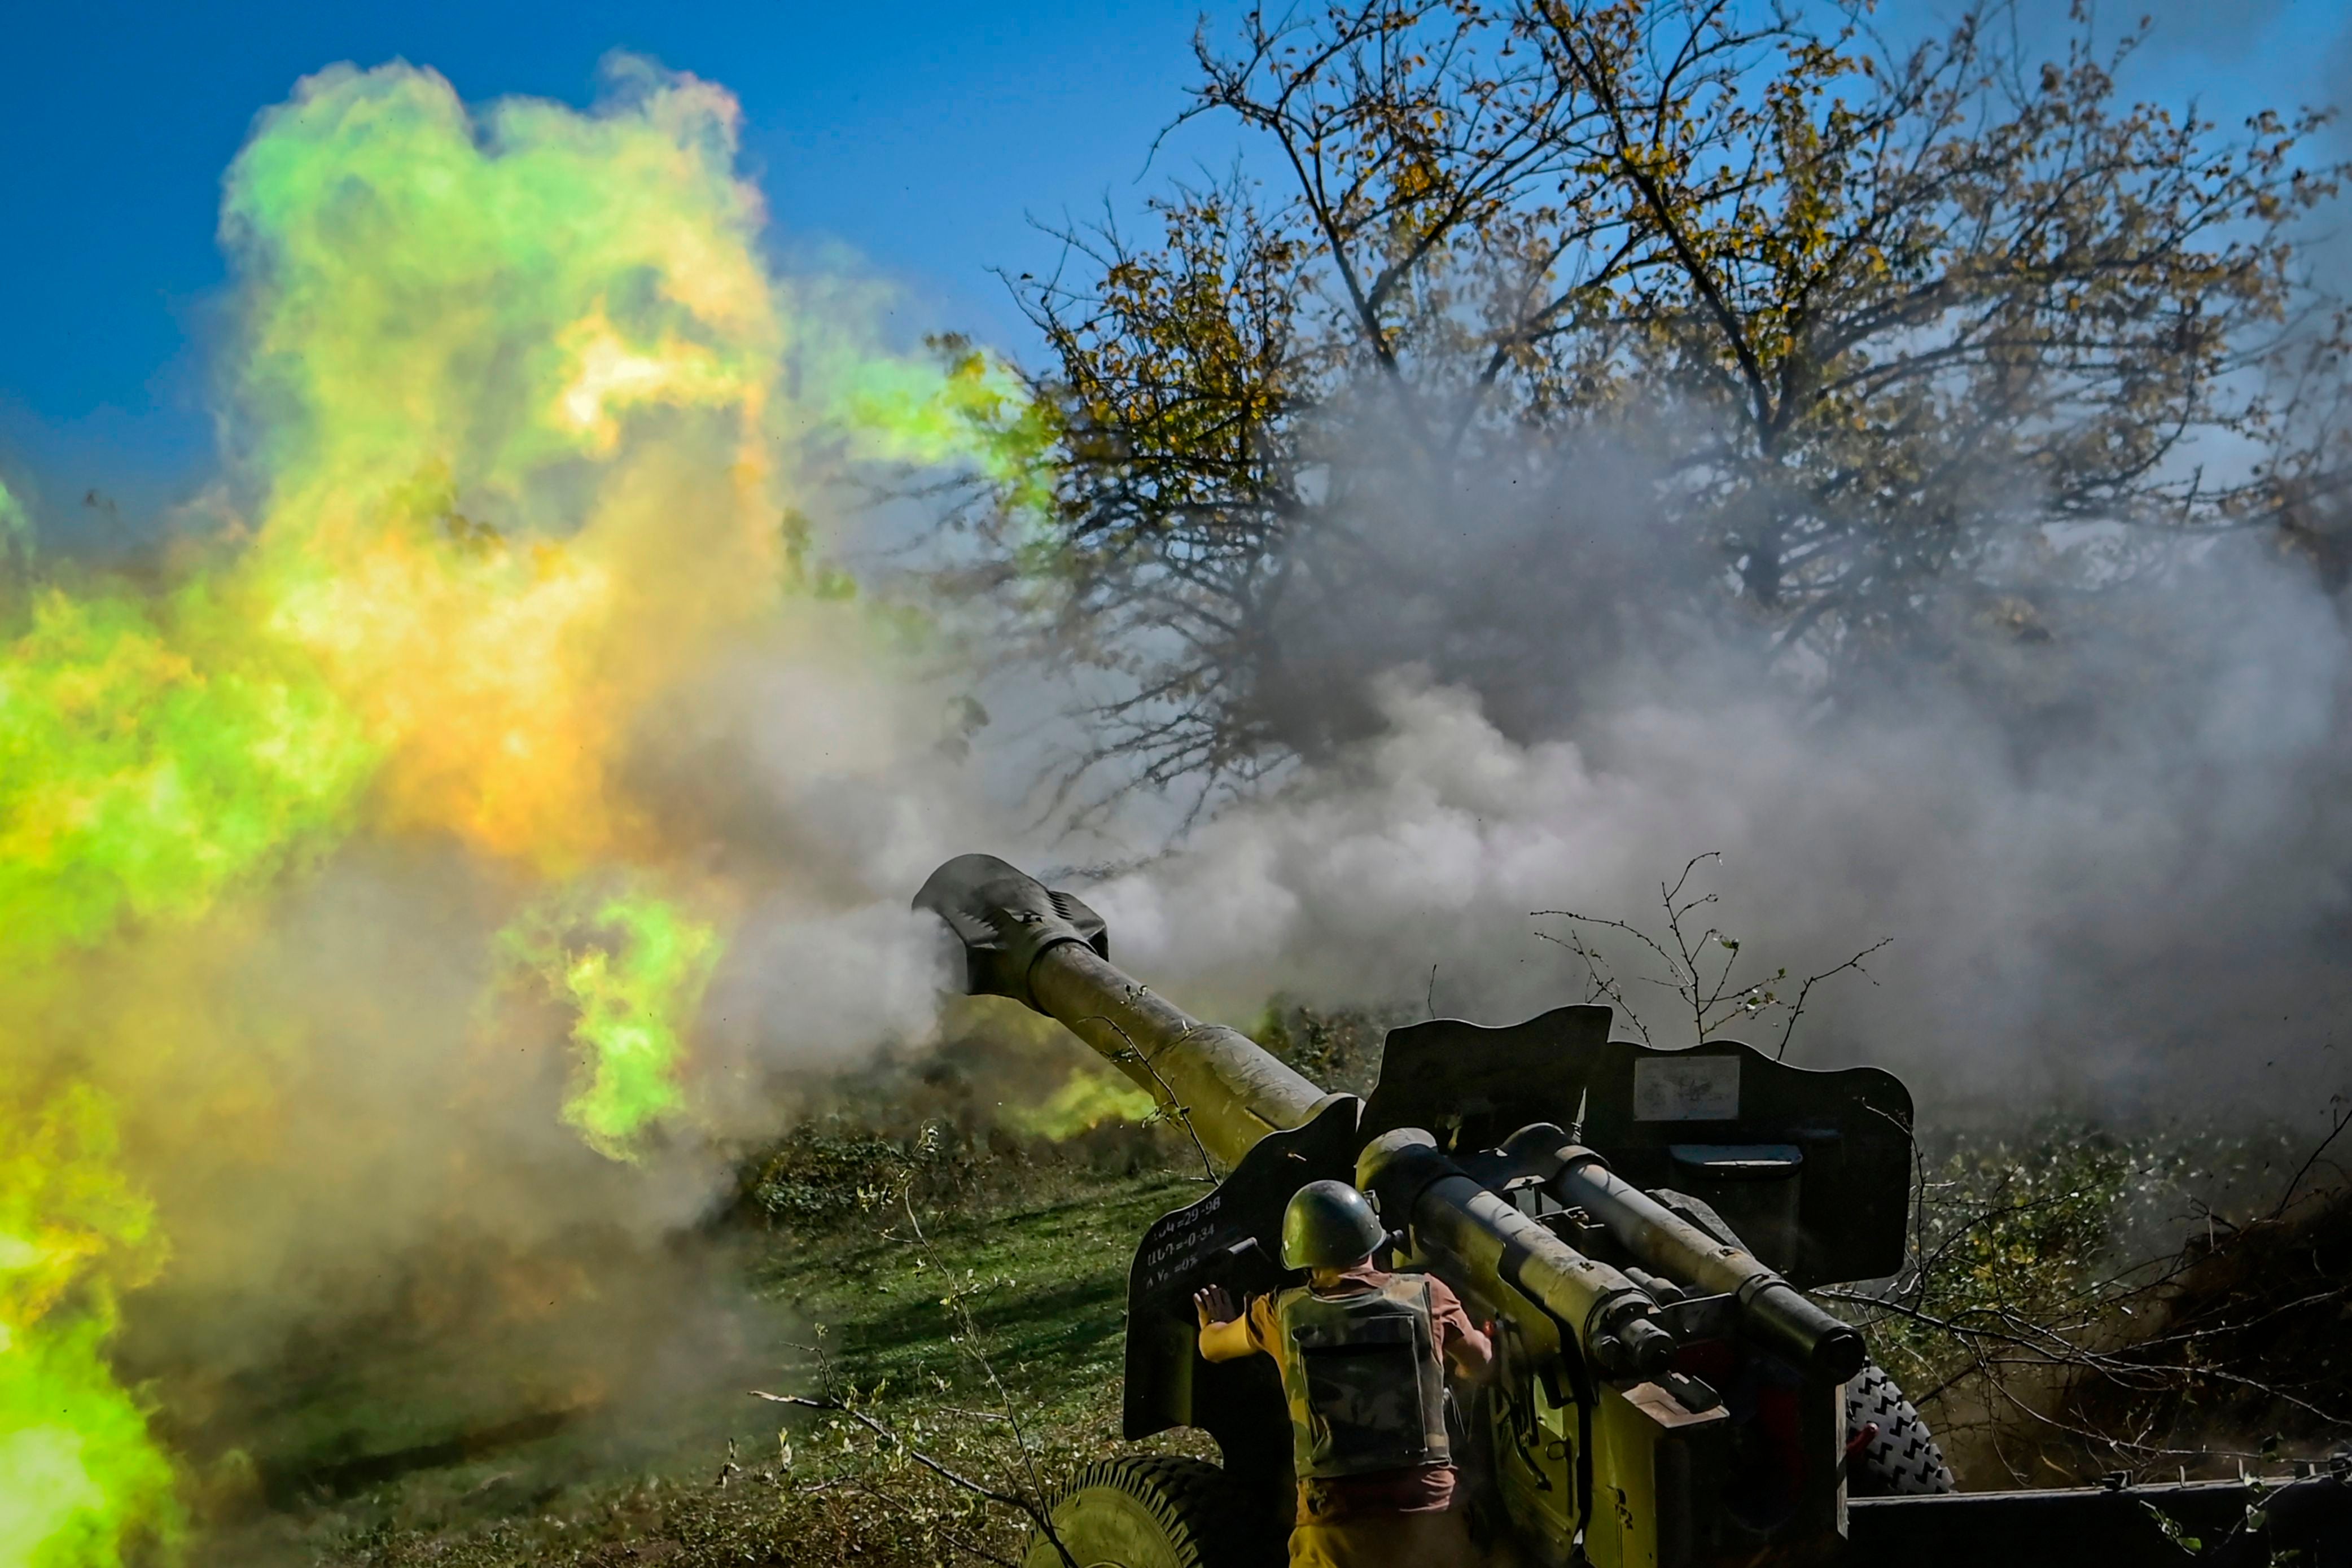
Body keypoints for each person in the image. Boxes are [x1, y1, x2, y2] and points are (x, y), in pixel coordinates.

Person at [1194, 1179, 1492, 1568]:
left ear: (1302, 1254)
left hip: (1335, 1524)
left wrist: (1213, 1323)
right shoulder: (1428, 1294)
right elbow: (1481, 1362)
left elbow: (1211, 1348)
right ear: (1372, 1235)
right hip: (1430, 1515)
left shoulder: (1278, 1314)